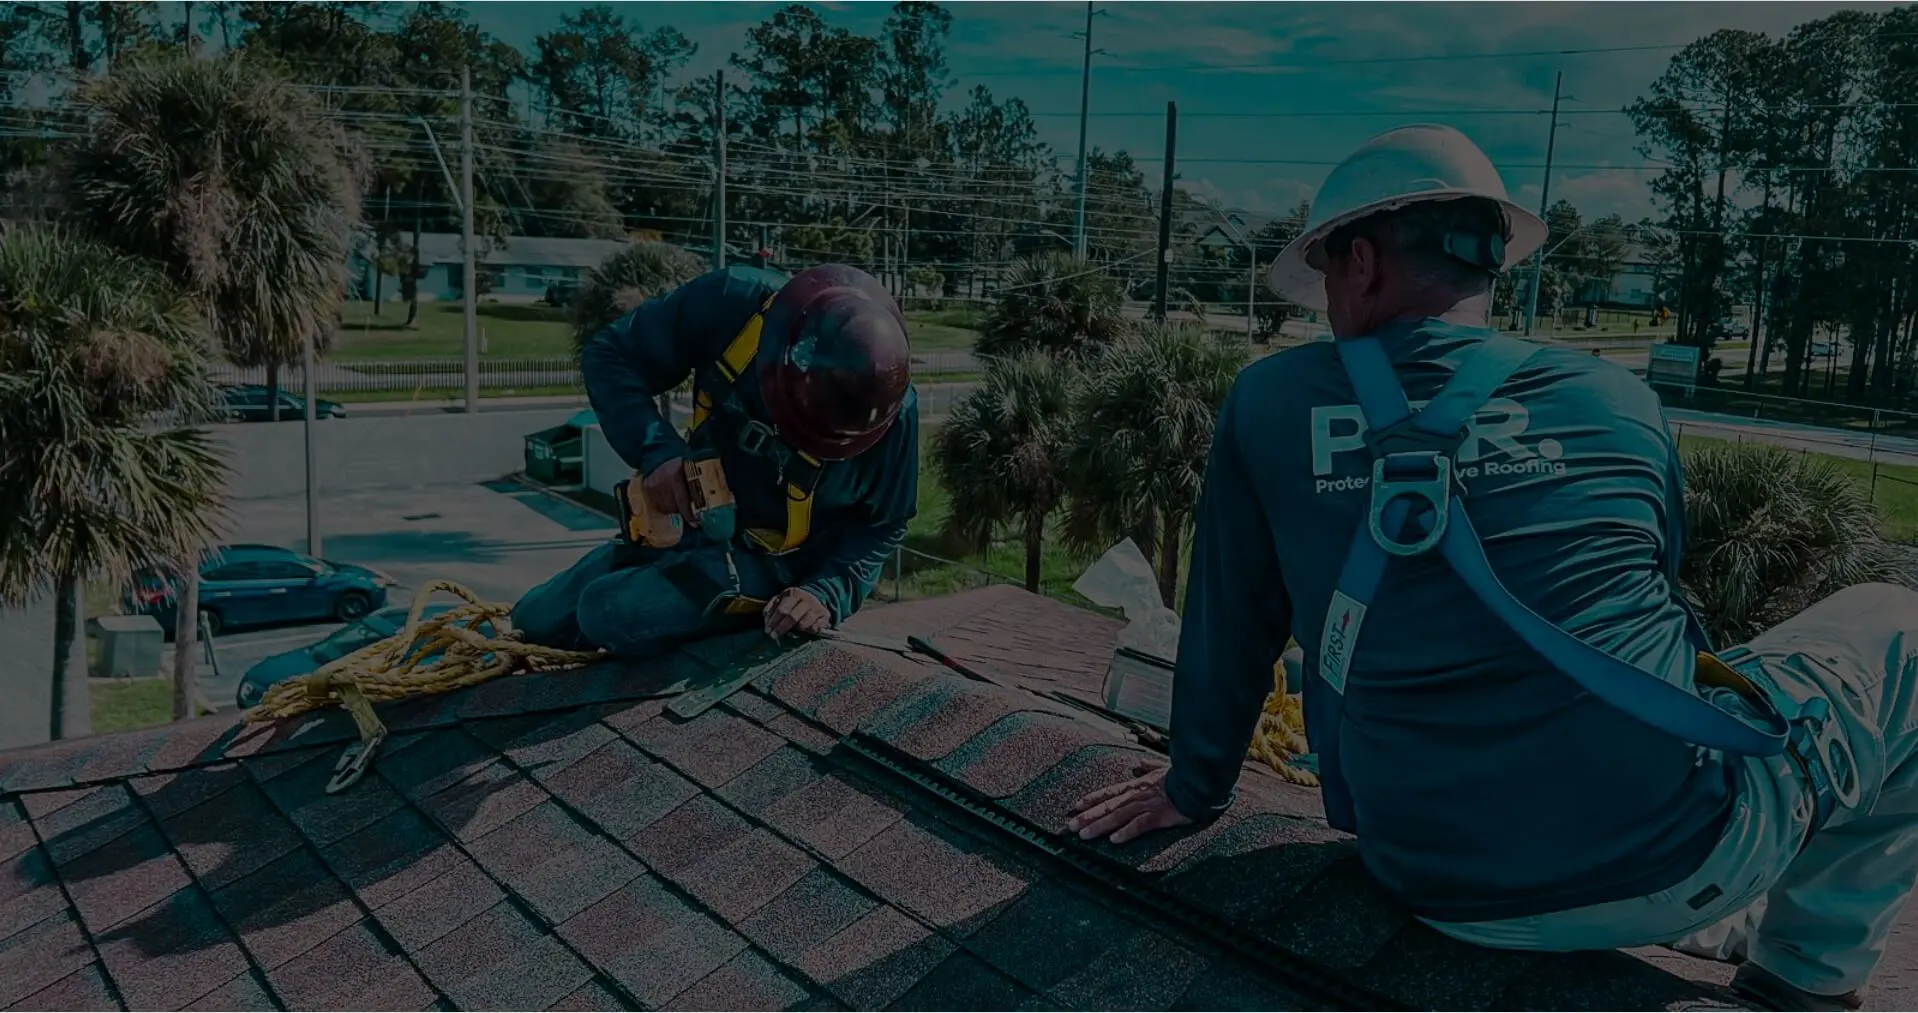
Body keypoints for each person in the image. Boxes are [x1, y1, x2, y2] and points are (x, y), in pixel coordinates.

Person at [1063, 123, 1918, 1012]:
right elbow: (1648, 601)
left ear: (1360, 261)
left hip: (1430, 881)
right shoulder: (1617, 397)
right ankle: (1805, 977)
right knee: (1900, 627)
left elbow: (1230, 627)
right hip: (1676, 862)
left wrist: (1193, 788)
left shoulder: (1270, 403)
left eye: (1323, 276)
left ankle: (1692, 909)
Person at [512, 262, 919, 655]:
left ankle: (728, 613)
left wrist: (824, 593)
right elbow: (612, 355)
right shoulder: (733, 303)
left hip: (781, 568)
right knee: (532, 621)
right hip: (698, 520)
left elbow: (885, 523)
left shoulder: (890, 412)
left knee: (604, 611)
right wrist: (658, 452)